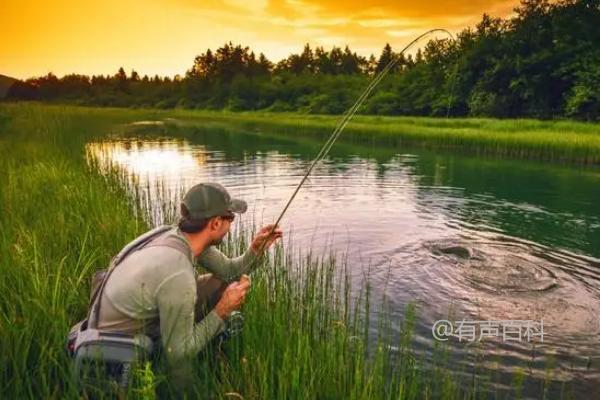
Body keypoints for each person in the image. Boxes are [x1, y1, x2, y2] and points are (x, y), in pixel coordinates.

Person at [92, 182, 282, 388]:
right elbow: (177, 353)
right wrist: (223, 309)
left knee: (219, 281)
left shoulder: (178, 235)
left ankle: (206, 338)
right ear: (215, 223)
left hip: (126, 317)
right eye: (230, 218)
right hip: (119, 346)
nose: (231, 225)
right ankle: (182, 391)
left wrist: (256, 249)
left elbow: (229, 272)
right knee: (181, 355)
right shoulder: (178, 273)